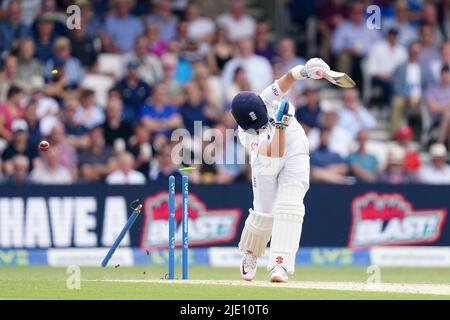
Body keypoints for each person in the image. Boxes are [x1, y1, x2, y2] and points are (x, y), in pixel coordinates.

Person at [231, 56, 329, 282]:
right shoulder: (246, 135)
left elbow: (288, 78)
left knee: (291, 205)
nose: (264, 125)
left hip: (294, 147)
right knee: (264, 212)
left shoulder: (265, 98)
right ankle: (252, 253)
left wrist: (305, 71)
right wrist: (281, 125)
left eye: (264, 120)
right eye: (259, 126)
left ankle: (280, 266)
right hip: (268, 157)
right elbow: (274, 150)